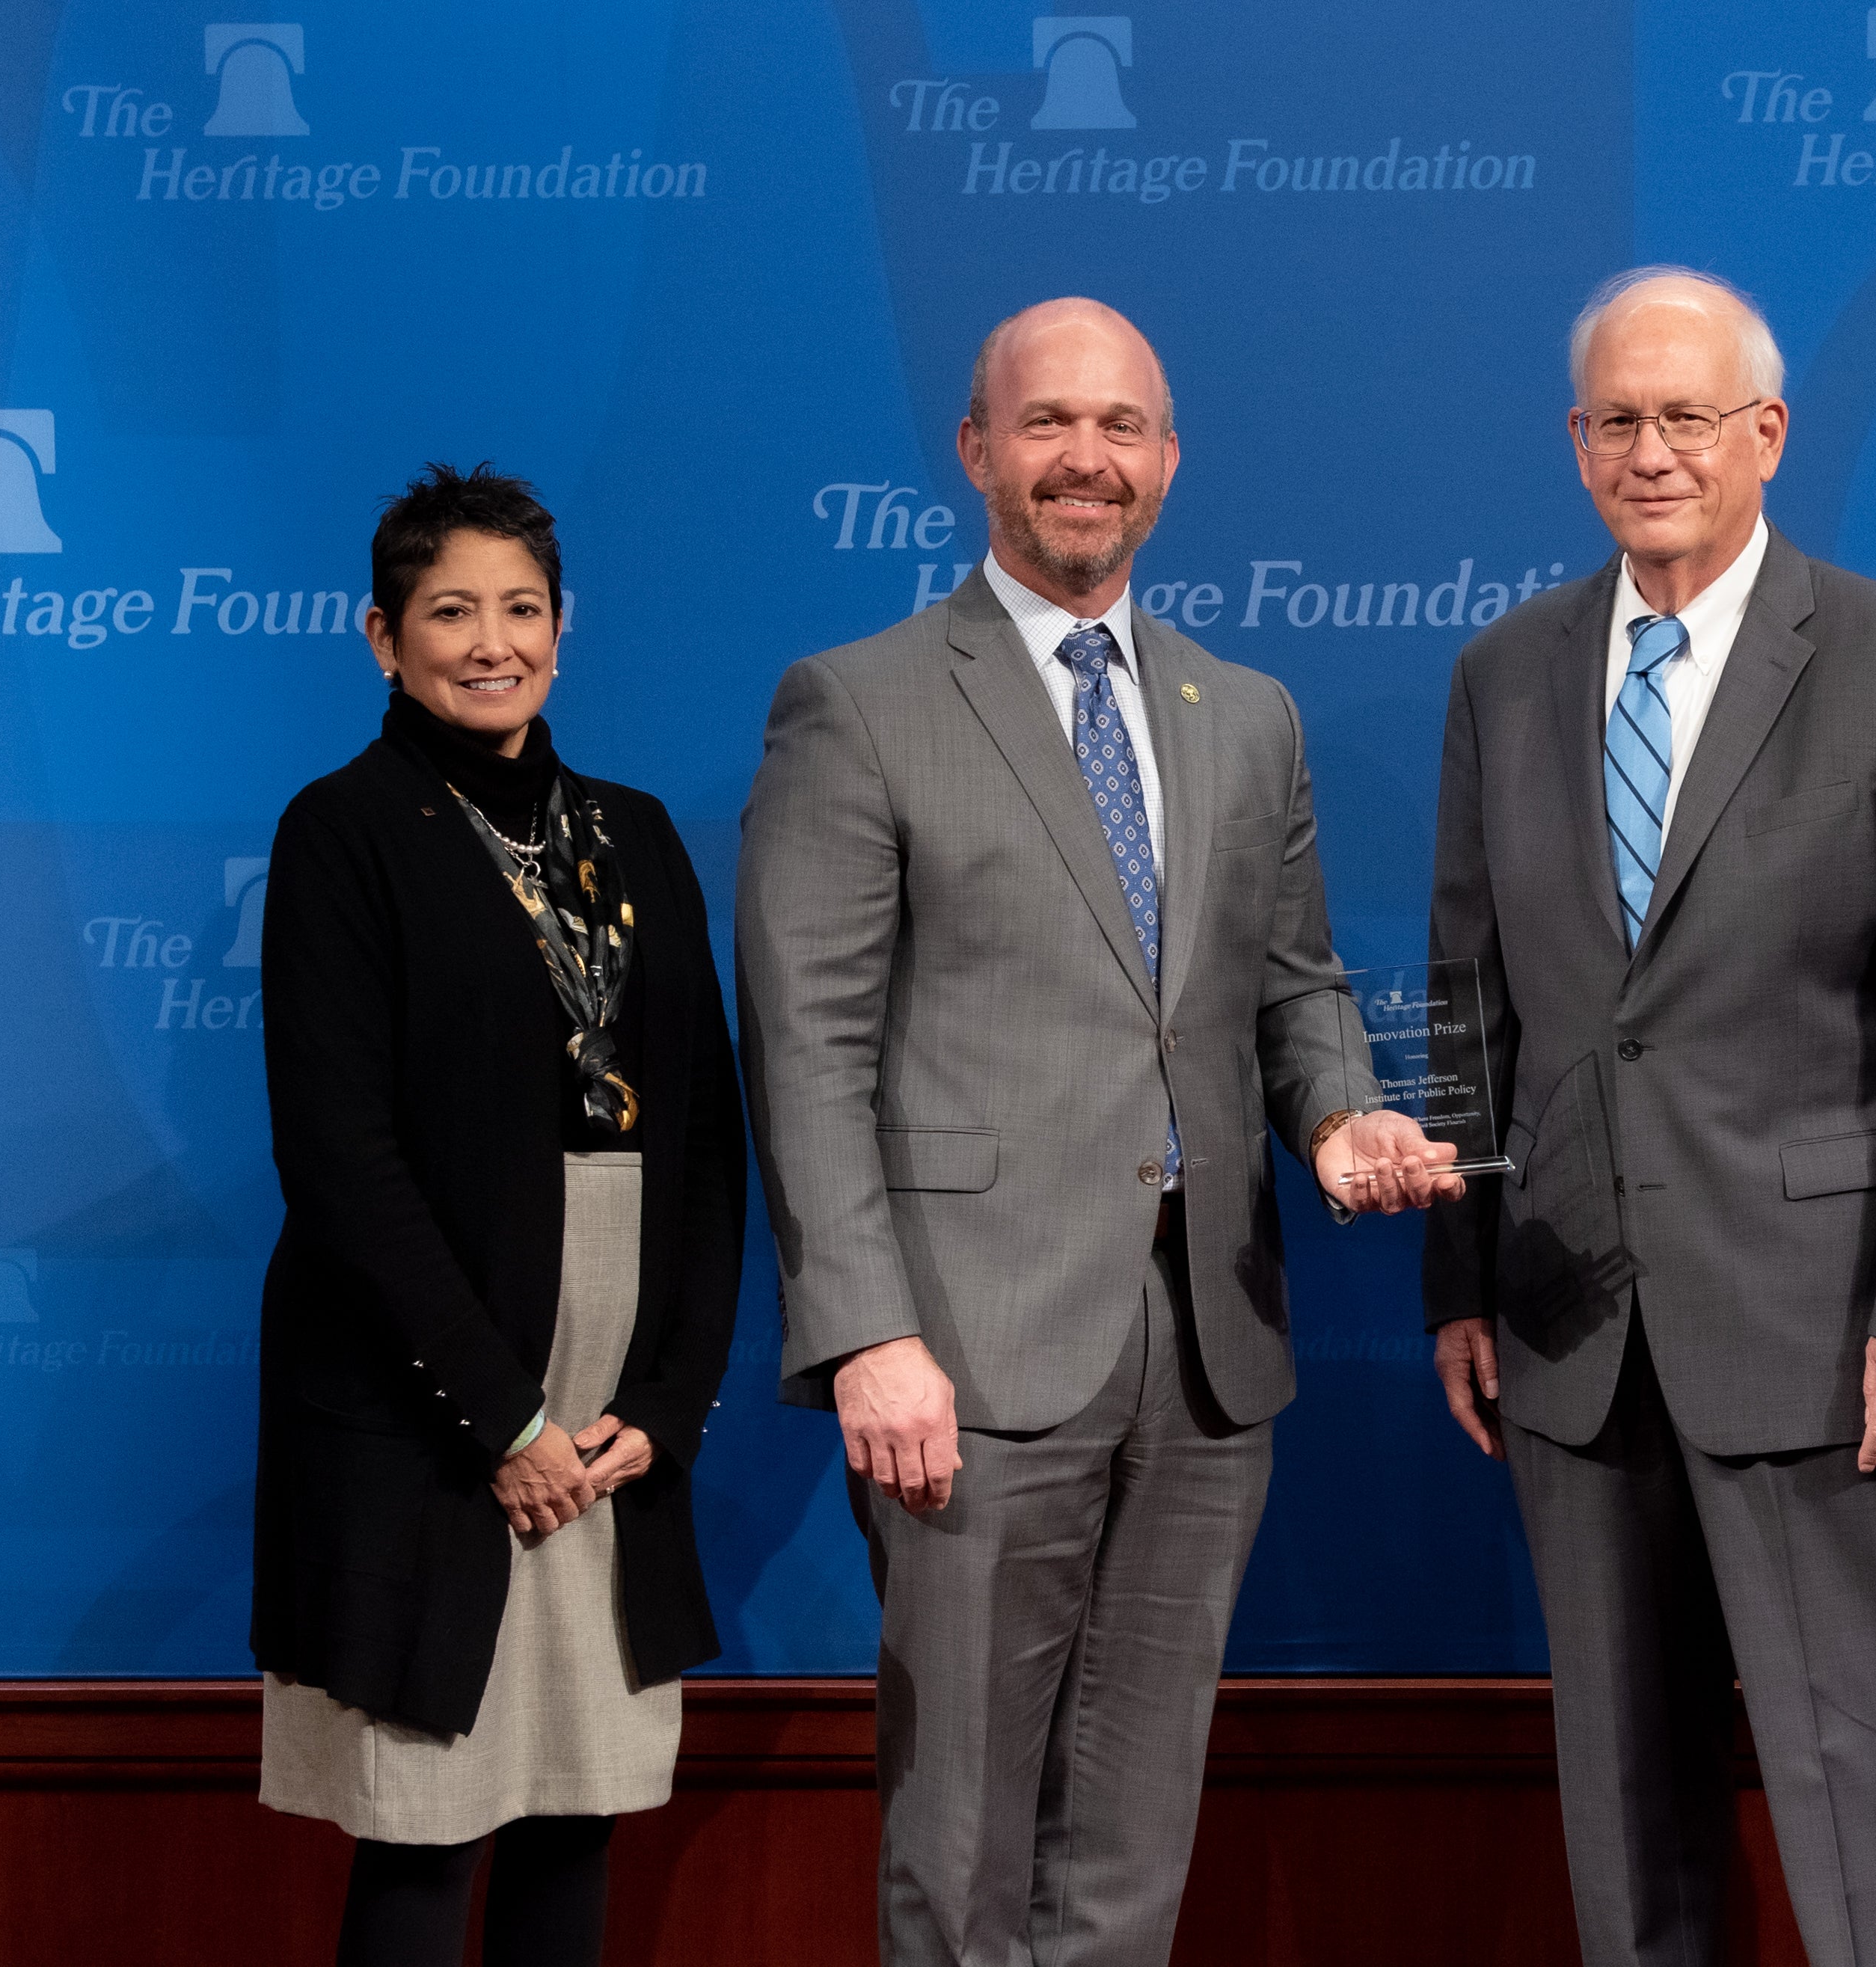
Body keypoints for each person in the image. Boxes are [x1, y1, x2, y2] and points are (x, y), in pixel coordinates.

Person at [737, 296, 1458, 1967]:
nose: (1086, 458)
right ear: (976, 451)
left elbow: (1291, 986)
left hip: (1207, 1346)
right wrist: (866, 1334)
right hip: (965, 1352)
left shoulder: (1244, 712)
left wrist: (1341, 1115)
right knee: (965, 1838)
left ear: (1169, 460)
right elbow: (807, 1049)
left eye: (1120, 426)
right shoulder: (857, 702)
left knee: (1131, 1838)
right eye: (1047, 422)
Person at [1422, 266, 1876, 1967]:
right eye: (1618, 421)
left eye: (1687, 417)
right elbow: (1469, 997)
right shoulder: (1504, 672)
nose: (1652, 453)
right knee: (1627, 1813)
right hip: (1568, 1323)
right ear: (1575, 442)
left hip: (1827, 1331)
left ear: (1766, 432)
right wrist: (1461, 1277)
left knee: (1864, 1796)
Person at [252, 463, 748, 1965]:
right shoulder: (343, 829)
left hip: (608, 1404)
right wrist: (503, 1420)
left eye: (521, 609)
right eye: (451, 611)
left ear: (561, 628)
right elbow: (340, 1161)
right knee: (426, 1819)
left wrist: (664, 1402)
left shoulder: (637, 832)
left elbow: (707, 1144)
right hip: (434, 1400)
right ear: (382, 636)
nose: (492, 643)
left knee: (575, 1808)